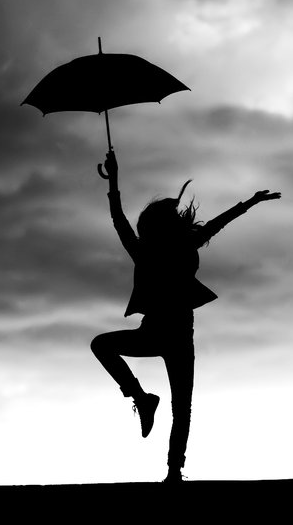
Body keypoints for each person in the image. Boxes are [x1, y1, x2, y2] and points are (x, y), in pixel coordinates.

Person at [91, 149, 281, 483]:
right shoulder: (171, 246)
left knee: (180, 405)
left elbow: (121, 220)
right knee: (180, 405)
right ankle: (146, 407)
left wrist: (249, 203)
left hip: (168, 336)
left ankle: (173, 467)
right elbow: (121, 220)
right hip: (168, 334)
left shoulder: (154, 248)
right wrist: (250, 203)